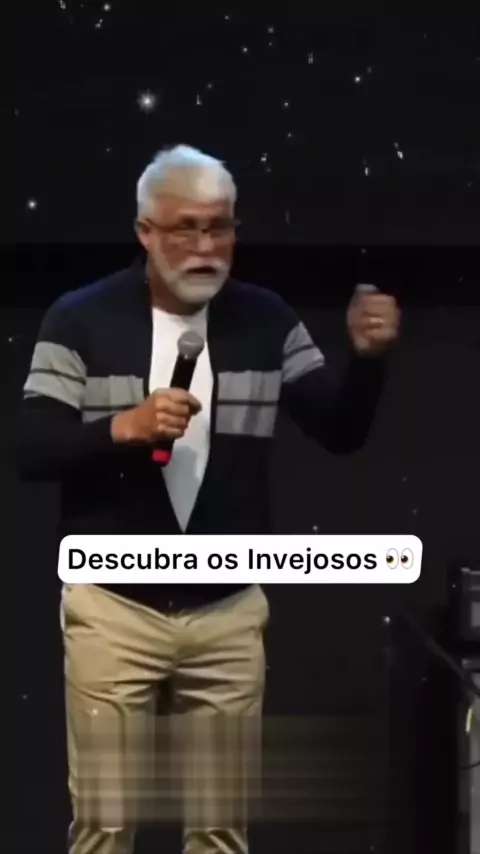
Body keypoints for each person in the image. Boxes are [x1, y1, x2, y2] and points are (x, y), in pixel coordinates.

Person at [17, 144, 400, 854]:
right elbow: (30, 446)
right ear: (145, 232)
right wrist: (122, 428)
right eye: (184, 228)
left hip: (227, 611)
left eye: (219, 226)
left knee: (221, 832)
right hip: (112, 606)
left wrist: (368, 361)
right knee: (105, 826)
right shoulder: (80, 318)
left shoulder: (267, 318)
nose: (204, 246)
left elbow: (340, 429)